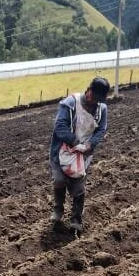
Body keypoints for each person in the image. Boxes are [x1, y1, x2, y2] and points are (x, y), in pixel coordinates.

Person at [48, 77, 110, 233]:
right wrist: (74, 142)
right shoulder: (70, 103)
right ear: (88, 90)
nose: (93, 101)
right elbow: (60, 126)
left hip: (83, 154)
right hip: (62, 150)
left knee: (78, 187)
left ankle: (76, 219)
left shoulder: (101, 109)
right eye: (92, 96)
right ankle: (58, 209)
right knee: (60, 180)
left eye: (97, 99)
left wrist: (89, 145)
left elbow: (101, 130)